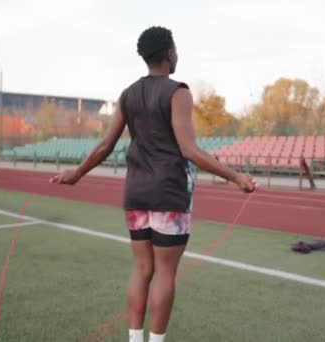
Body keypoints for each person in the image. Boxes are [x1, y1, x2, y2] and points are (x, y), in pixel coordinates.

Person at [50, 26, 256, 342]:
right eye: (176, 50)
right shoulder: (178, 92)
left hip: (136, 192)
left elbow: (105, 145)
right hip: (169, 193)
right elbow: (189, 149)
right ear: (169, 54)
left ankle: (135, 339)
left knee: (142, 269)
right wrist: (236, 176)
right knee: (165, 272)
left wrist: (76, 174)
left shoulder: (127, 94)